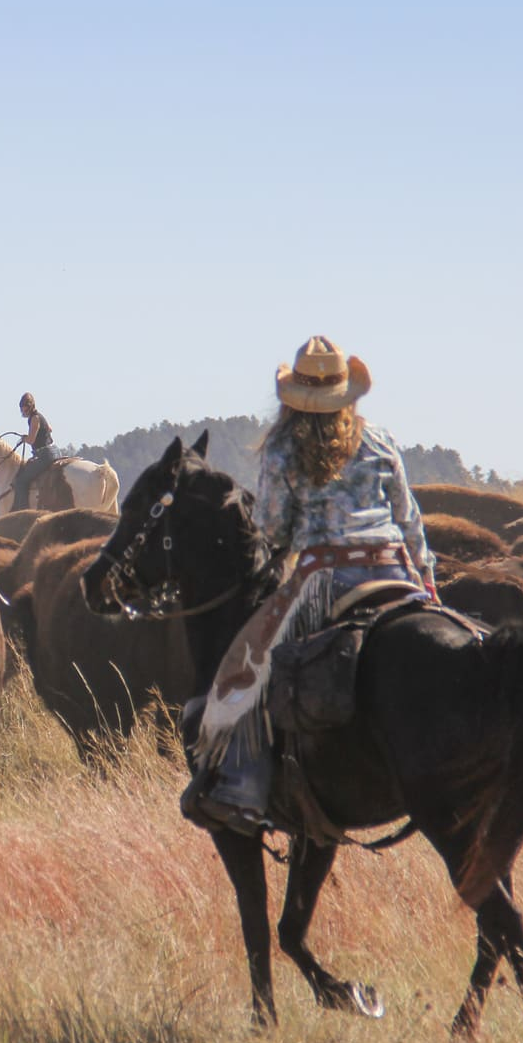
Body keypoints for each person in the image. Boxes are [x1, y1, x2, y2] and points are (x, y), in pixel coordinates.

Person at [181, 335, 437, 835]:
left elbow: (274, 529)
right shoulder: (380, 440)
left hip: (324, 579)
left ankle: (239, 790)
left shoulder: (281, 449)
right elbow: (410, 522)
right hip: (393, 572)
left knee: (243, 670)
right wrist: (427, 584)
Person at [8, 392, 59, 511]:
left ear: (29, 406)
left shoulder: (35, 418)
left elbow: (31, 440)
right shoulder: (39, 416)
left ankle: (24, 512)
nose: (22, 411)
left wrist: (25, 438)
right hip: (54, 451)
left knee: (20, 481)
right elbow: (49, 429)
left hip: (45, 454)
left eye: (23, 408)